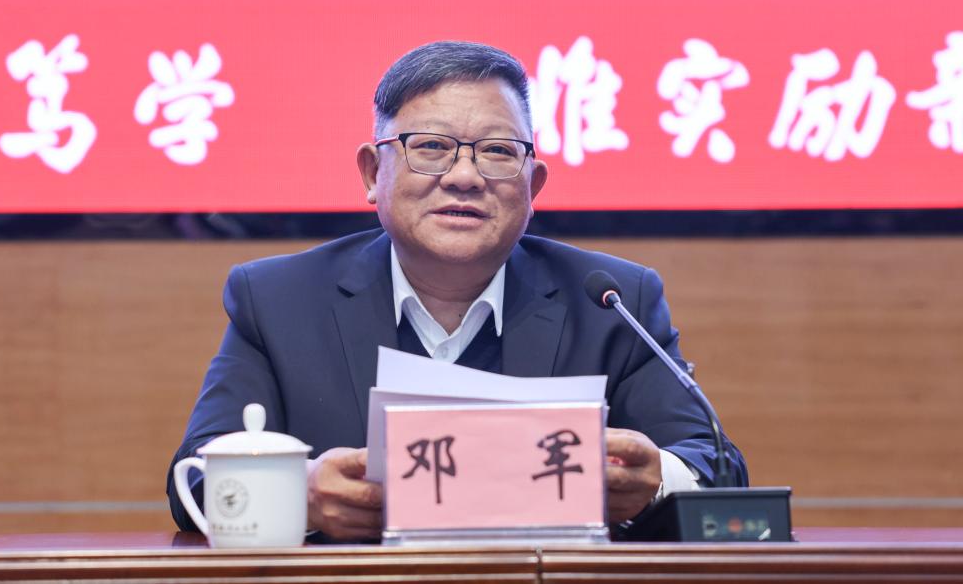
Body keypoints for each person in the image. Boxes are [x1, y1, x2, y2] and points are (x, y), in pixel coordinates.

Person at [167, 41, 747, 541]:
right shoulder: (278, 300)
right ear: (372, 173)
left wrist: (653, 481)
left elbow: (716, 467)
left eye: (497, 151)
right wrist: (300, 494)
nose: (464, 176)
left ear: (533, 185)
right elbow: (191, 478)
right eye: (431, 147)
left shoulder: (614, 302)